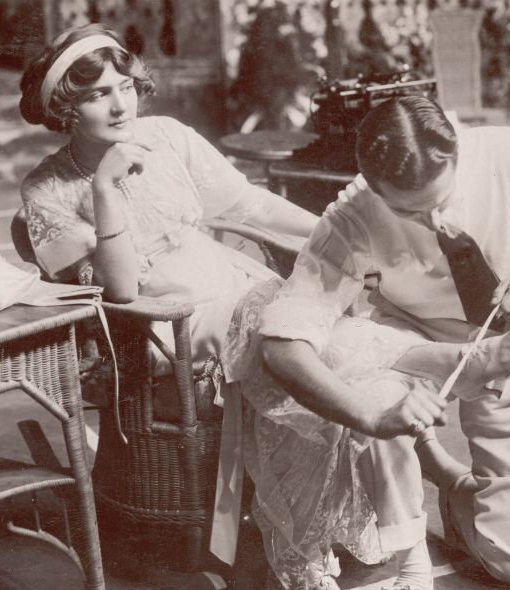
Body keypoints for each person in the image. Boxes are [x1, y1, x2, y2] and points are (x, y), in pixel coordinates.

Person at [223, 95, 510, 589]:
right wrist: (370, 416)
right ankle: (408, 520)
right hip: (408, 341)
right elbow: (283, 343)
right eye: (411, 213)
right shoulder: (351, 214)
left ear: (455, 152)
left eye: (442, 202)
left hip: (509, 345)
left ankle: (449, 485)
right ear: (373, 187)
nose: (435, 223)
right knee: (361, 381)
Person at [17, 23, 318, 564]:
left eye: (125, 86)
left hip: (230, 280)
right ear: (66, 109)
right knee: (298, 342)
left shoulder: (168, 136)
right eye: (96, 95)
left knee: (323, 327)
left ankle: (326, 515)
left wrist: (335, 234)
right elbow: (123, 289)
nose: (119, 106)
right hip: (163, 324)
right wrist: (104, 187)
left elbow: (250, 206)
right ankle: (299, 536)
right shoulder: (46, 189)